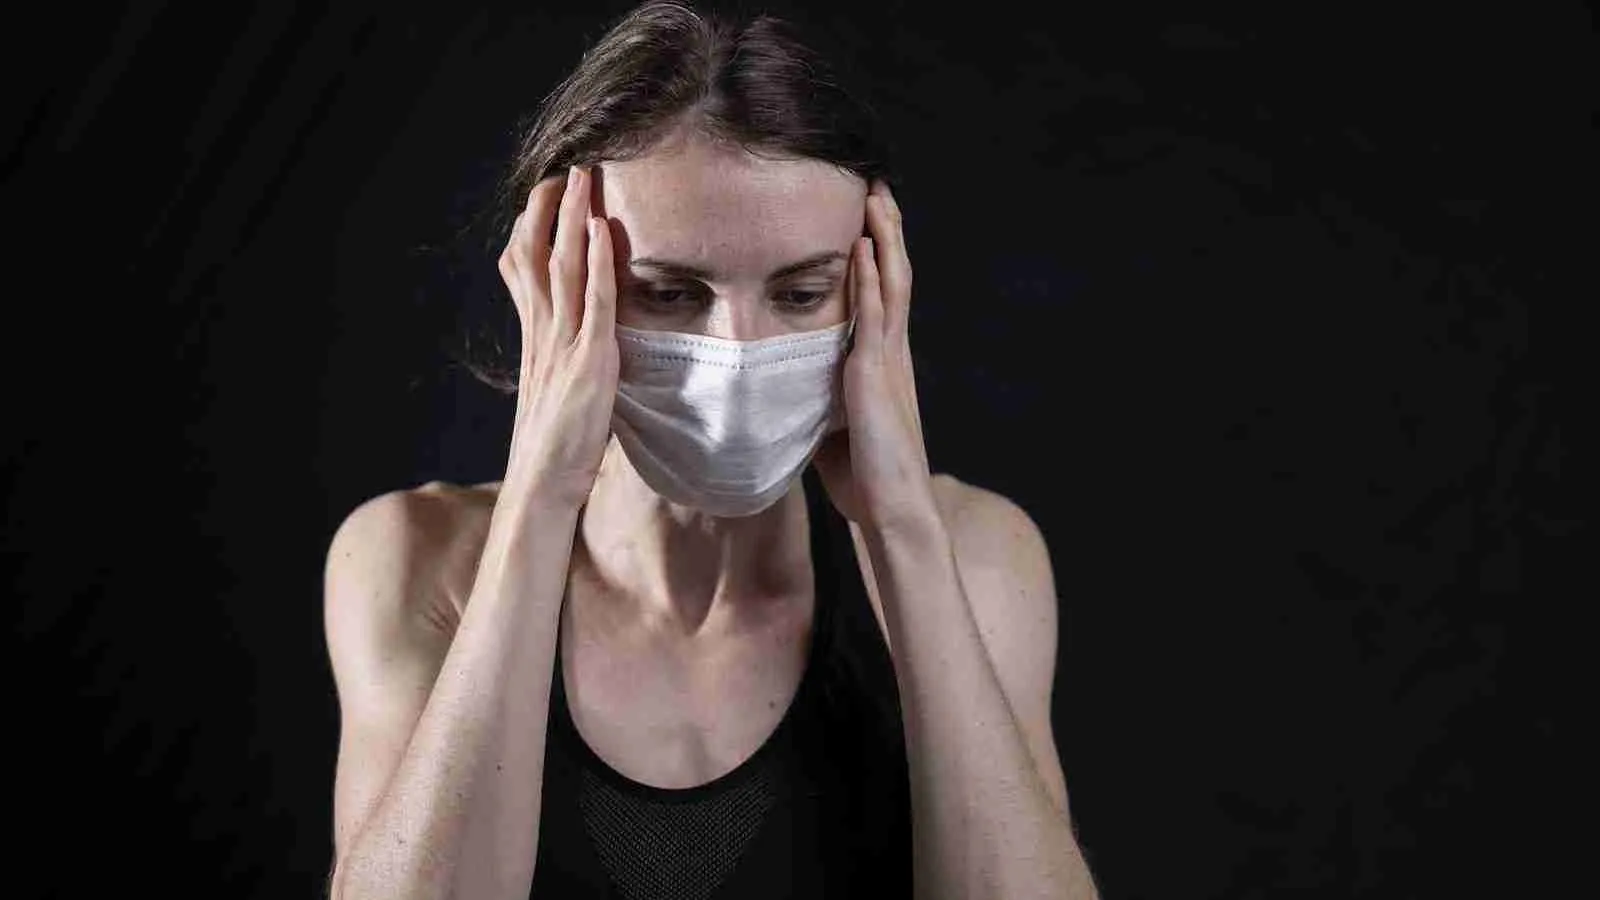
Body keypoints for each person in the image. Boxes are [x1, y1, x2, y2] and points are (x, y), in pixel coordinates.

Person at [322, 2, 1096, 898]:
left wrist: (903, 532)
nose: (739, 355)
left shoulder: (977, 556)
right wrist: (540, 498)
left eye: (802, 294)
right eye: (669, 293)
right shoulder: (414, 560)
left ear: (873, 292)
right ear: (554, 283)